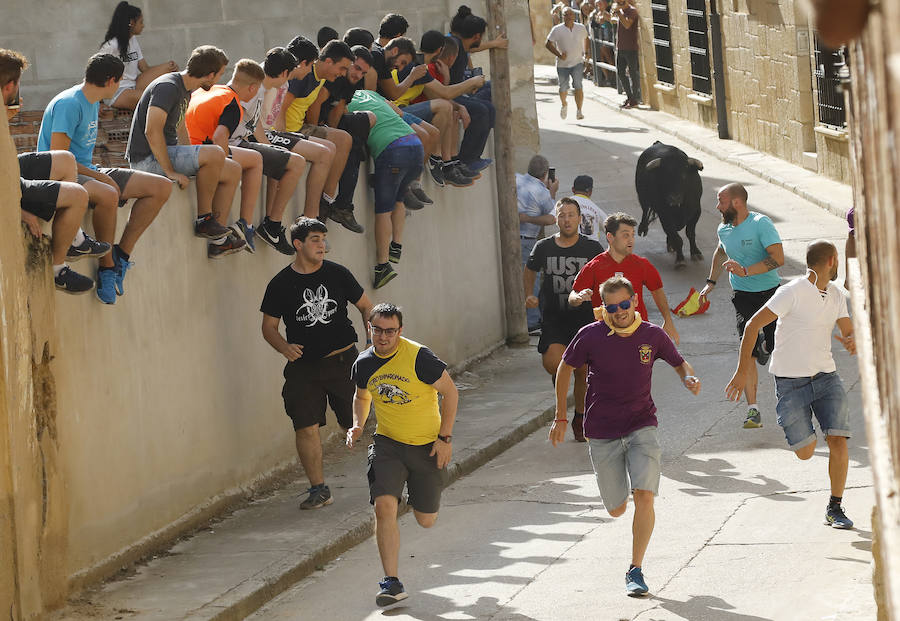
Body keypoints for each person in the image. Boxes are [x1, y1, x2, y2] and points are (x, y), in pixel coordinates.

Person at [550, 275, 701, 596]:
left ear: (634, 302)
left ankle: (635, 569)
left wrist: (689, 377)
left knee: (645, 495)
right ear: (603, 307)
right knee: (617, 509)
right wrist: (561, 415)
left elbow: (679, 362)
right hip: (602, 430)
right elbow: (564, 369)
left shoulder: (651, 334)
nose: (618, 311)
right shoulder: (590, 335)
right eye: (611, 306)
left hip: (641, 424)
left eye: (623, 304)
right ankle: (624, 495)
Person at [725, 240, 856, 529]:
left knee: (838, 440)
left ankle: (835, 507)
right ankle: (803, 434)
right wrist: (741, 370)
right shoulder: (791, 292)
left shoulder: (835, 295)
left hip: (826, 378)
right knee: (805, 451)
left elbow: (848, 330)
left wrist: (851, 340)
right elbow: (752, 325)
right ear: (833, 260)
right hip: (790, 384)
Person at [346, 303, 459, 608]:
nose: (383, 337)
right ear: (369, 329)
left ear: (400, 331)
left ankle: (414, 490)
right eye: (377, 330)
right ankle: (391, 583)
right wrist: (357, 424)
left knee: (426, 520)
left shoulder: (420, 357)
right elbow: (362, 395)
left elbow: (450, 392)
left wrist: (445, 438)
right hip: (388, 445)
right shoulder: (364, 362)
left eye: (390, 331)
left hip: (427, 447)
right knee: (384, 507)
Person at [37, 52, 173, 303]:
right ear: (111, 80)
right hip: (62, 176)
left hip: (89, 170)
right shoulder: (70, 103)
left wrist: (100, 175)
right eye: (120, 81)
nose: (121, 86)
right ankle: (108, 268)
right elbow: (57, 159)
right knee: (109, 194)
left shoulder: (91, 102)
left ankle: (121, 255)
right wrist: (102, 179)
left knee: (161, 187)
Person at [260, 217, 373, 510]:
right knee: (305, 426)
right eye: (315, 240)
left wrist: (372, 344)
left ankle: (393, 475)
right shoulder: (281, 284)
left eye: (323, 239)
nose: (322, 245)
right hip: (304, 369)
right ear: (298, 245)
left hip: (344, 362)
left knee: (359, 422)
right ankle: (318, 489)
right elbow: (268, 327)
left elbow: (366, 307)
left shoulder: (338, 274)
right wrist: (284, 347)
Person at [126, 45, 247, 256]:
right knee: (215, 154)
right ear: (210, 75)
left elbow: (180, 127)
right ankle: (204, 220)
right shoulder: (168, 87)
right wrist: (171, 171)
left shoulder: (185, 90)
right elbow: (152, 130)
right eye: (219, 74)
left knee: (232, 169)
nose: (219, 80)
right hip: (147, 160)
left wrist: (194, 157)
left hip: (166, 155)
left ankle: (219, 240)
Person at [186, 58, 302, 254]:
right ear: (252, 88)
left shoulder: (209, 90)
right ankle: (245, 225)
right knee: (253, 160)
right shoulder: (232, 103)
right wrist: (226, 167)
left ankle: (224, 238)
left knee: (248, 160)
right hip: (204, 152)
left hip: (188, 149)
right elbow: (219, 137)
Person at [4, 48, 95, 293]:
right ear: (10, 86)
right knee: (78, 195)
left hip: (11, 172)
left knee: (66, 159)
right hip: (9, 184)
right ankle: (58, 270)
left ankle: (75, 237)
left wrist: (6, 117)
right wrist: (20, 210)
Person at [699, 183, 784, 429]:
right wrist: (711, 282)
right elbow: (719, 252)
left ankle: (767, 344)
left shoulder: (760, 224)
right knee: (747, 350)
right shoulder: (723, 229)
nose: (717, 206)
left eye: (721, 201)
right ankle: (753, 410)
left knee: (774, 345)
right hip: (742, 296)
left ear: (736, 202)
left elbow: (778, 258)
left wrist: (746, 270)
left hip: (770, 294)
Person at [525, 198, 604, 441]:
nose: (567, 219)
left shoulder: (592, 248)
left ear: (580, 219)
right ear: (556, 219)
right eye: (562, 215)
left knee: (583, 371)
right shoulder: (543, 247)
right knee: (554, 364)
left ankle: (580, 418)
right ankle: (561, 387)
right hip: (554, 320)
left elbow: (605, 276)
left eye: (571, 215)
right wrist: (529, 294)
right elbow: (529, 270)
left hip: (585, 321)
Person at [346, 88, 424, 289]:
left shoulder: (344, 100)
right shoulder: (368, 93)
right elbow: (398, 112)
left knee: (383, 210)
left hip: (392, 150)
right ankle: (396, 245)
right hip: (415, 143)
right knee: (398, 199)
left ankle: (382, 265)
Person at [258, 42, 338, 227]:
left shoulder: (284, 81)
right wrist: (277, 141)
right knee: (302, 156)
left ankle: (275, 222)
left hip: (271, 132)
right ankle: (277, 222)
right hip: (262, 134)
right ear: (302, 63)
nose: (311, 71)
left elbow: (275, 115)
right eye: (310, 65)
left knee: (325, 150)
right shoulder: (270, 80)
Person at [570, 212, 679, 344]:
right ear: (610, 237)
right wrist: (578, 297)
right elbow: (573, 295)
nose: (631, 240)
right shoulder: (594, 266)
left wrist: (667, 319)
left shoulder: (642, 264)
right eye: (625, 235)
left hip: (638, 334)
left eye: (633, 235)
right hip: (605, 337)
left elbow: (657, 290)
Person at [277, 38, 355, 219]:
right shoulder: (303, 75)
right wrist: (282, 137)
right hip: (288, 132)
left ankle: (326, 200)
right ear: (328, 61)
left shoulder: (322, 78)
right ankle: (312, 215)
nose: (343, 74)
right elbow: (280, 108)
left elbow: (312, 108)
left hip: (302, 128)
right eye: (342, 68)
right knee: (328, 150)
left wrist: (317, 131)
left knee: (344, 139)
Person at [99, 2, 179, 110]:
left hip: (134, 84)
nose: (143, 25)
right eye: (141, 22)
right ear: (132, 22)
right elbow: (97, 74)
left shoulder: (132, 40)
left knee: (170, 69)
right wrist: (98, 103)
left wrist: (168, 67)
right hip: (117, 91)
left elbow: (145, 68)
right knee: (154, 98)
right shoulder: (111, 46)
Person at [517, 155, 560, 332]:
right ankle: (532, 321)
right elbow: (552, 218)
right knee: (530, 279)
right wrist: (552, 192)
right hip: (526, 240)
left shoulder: (516, 178)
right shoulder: (542, 192)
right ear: (545, 174)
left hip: (509, 238)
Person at [546, 7, 589, 120]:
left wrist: (586, 53)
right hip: (562, 65)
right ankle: (564, 104)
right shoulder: (557, 29)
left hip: (577, 62)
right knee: (563, 87)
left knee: (578, 85)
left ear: (574, 16)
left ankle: (579, 111)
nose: (569, 16)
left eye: (570, 14)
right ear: (563, 16)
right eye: (566, 14)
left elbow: (586, 38)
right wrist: (559, 55)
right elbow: (548, 44)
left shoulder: (580, 28)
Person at [613, 0, 641, 109]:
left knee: (633, 73)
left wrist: (619, 13)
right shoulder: (620, 11)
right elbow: (615, 21)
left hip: (631, 48)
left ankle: (635, 99)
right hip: (620, 47)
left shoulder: (632, 11)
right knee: (620, 72)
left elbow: (627, 25)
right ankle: (630, 97)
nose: (618, 3)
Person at [569, 174, 607, 242]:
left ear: (573, 189)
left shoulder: (564, 203)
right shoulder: (595, 208)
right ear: (590, 191)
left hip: (570, 246)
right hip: (592, 248)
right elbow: (610, 227)